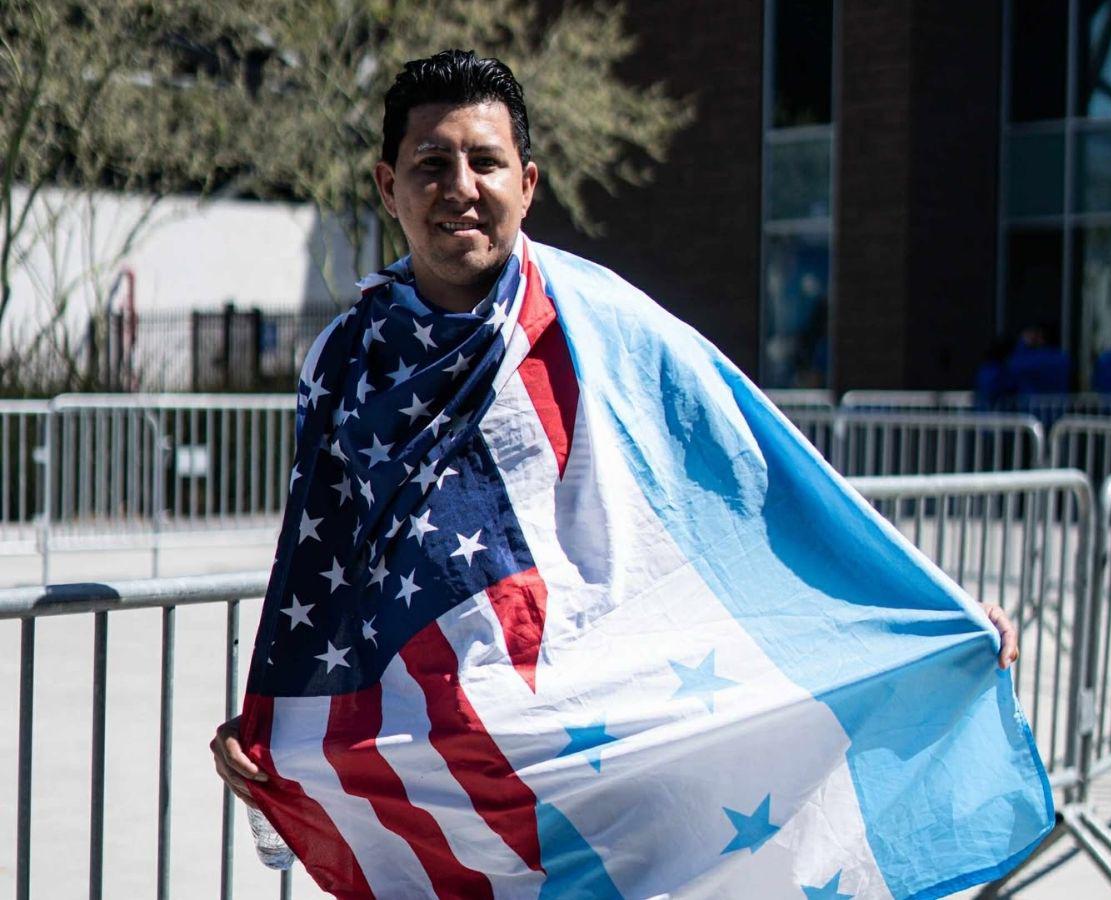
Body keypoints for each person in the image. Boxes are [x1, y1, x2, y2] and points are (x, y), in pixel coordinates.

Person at [211, 49, 1028, 897]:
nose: (459, 185)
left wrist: (931, 604)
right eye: (430, 163)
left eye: (485, 161)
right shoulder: (342, 361)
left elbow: (764, 483)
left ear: (527, 184)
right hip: (440, 781)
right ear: (388, 186)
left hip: (600, 753)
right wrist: (280, 716)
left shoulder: (604, 324)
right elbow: (323, 560)